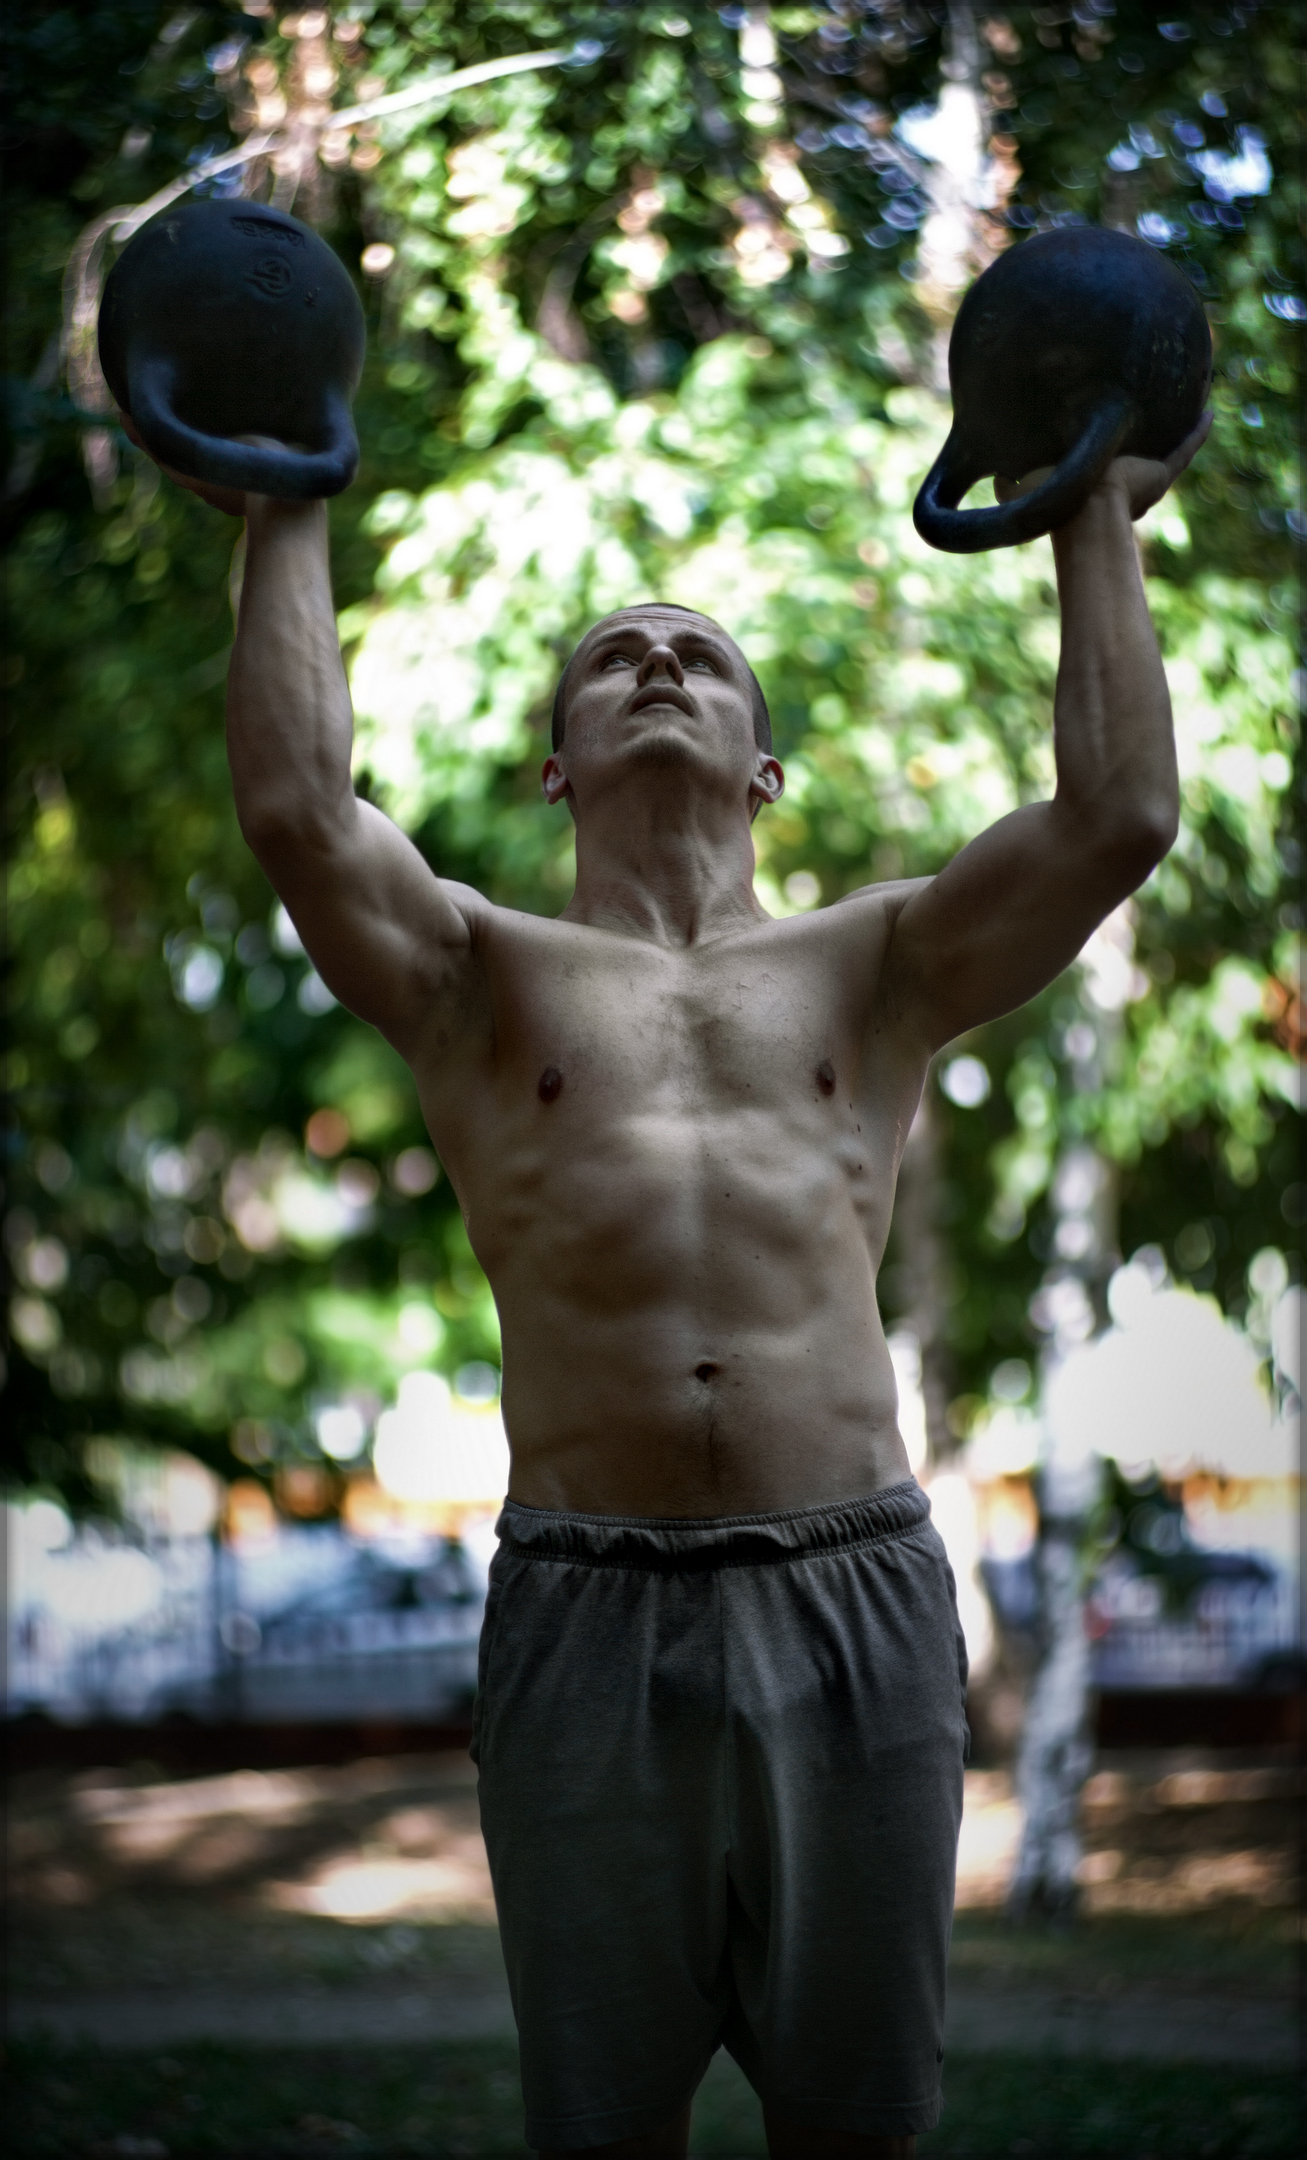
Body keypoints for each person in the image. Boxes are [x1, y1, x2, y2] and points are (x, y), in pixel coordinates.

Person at [136, 405, 1206, 2156]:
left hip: (850, 1587)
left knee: (861, 2128)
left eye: (698, 658)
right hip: (584, 1605)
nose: (654, 663)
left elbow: (1119, 816)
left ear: (764, 765)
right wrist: (283, 504)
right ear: (555, 764)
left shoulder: (879, 962)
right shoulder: (480, 974)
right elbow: (298, 812)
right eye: (614, 660)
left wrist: (1092, 511)